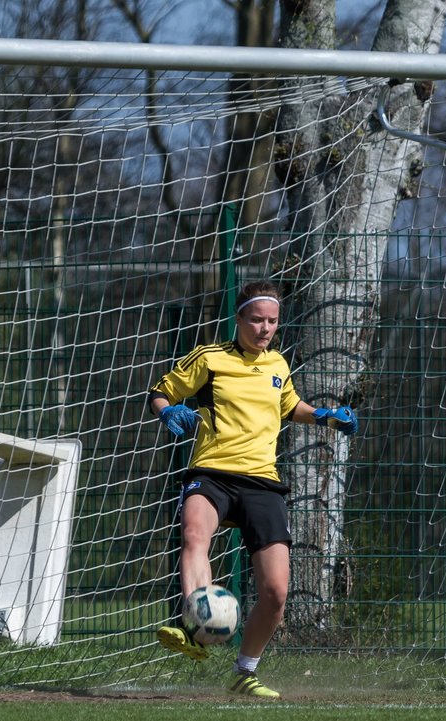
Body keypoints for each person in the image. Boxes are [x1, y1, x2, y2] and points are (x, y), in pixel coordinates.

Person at [148, 279, 358, 699]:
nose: (265, 328)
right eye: (257, 320)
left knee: (276, 591)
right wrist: (169, 411)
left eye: (273, 322)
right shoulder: (209, 358)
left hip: (262, 480)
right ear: (239, 318)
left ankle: (245, 671)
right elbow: (161, 391)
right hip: (212, 471)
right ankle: (195, 627)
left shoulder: (279, 365)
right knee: (194, 535)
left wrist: (325, 416)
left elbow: (288, 406)